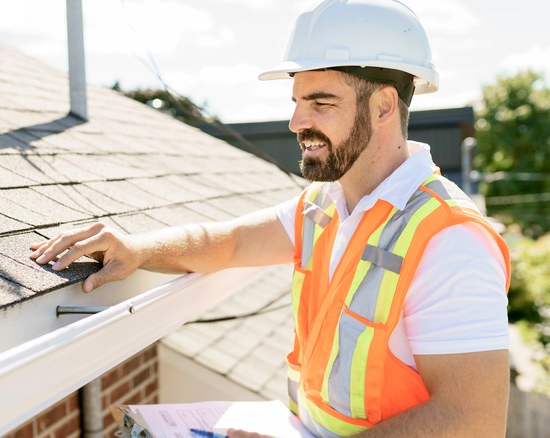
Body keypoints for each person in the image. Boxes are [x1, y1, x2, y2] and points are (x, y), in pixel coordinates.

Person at [30, 0, 511, 436]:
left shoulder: (449, 239)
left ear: (384, 105)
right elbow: (232, 242)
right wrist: (137, 250)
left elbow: (473, 421)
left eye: (321, 102)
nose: (297, 122)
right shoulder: (325, 206)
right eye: (297, 102)